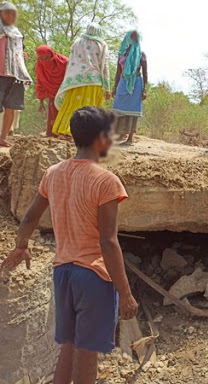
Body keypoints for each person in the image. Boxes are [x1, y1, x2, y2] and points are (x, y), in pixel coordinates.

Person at [1, 106, 138, 384]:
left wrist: (21, 245)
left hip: (63, 273)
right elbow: (108, 242)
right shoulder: (106, 181)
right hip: (94, 276)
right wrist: (125, 293)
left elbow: (29, 217)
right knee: (87, 355)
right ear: (101, 138)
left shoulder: (53, 173)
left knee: (69, 345)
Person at [52, 23, 111, 140]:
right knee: (90, 109)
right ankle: (85, 134)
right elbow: (105, 66)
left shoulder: (77, 42)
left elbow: (71, 61)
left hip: (75, 80)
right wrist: (107, 88)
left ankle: (64, 131)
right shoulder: (101, 44)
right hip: (93, 81)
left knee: (72, 106)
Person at [0, 2, 32, 147]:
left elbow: (19, 55)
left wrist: (24, 73)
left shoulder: (17, 33)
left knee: (11, 107)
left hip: (15, 76)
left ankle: (2, 138)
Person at [113, 30, 148, 146]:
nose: (133, 39)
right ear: (127, 38)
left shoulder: (141, 54)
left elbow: (145, 73)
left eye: (135, 37)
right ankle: (119, 134)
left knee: (133, 110)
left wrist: (145, 90)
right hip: (123, 82)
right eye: (131, 37)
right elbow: (118, 72)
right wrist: (115, 87)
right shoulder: (121, 54)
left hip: (136, 83)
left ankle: (130, 138)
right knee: (118, 107)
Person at [35, 45, 68, 137]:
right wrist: (41, 102)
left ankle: (66, 133)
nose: (45, 60)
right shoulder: (40, 65)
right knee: (53, 111)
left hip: (65, 91)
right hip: (52, 93)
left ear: (51, 53)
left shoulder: (64, 62)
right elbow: (40, 82)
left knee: (66, 111)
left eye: (47, 57)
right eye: (42, 58)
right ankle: (53, 133)